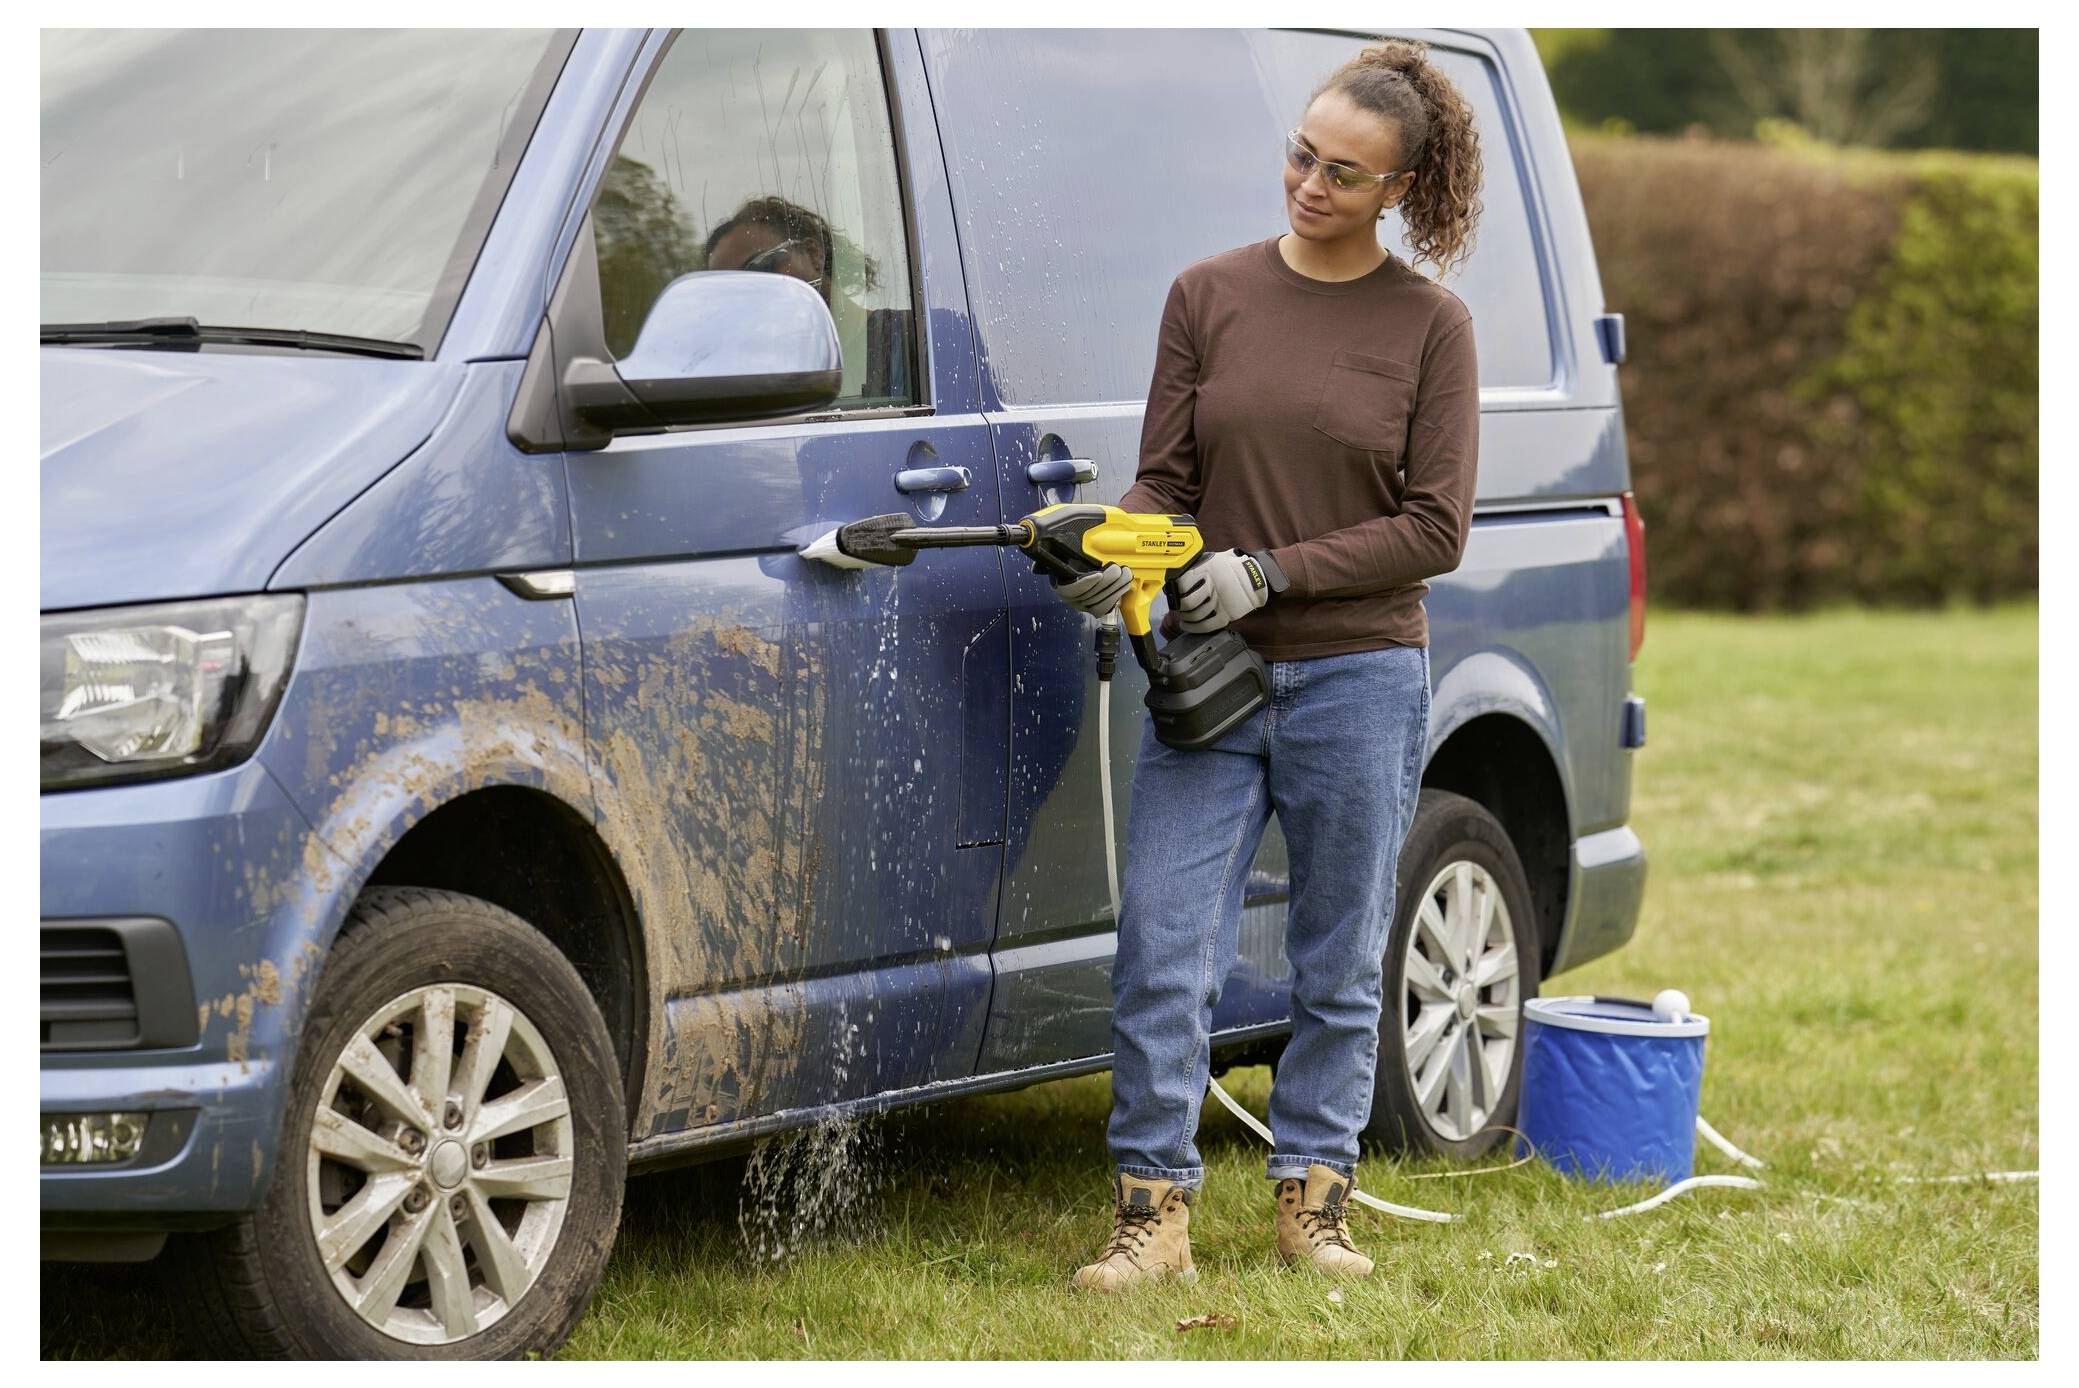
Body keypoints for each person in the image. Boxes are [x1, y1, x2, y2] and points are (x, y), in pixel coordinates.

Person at [1059, 37, 1485, 1289]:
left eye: (1345, 173)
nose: (1310, 184)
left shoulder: (1431, 327)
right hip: (1210, 680)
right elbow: (1171, 478)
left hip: (1359, 674)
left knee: (1341, 953)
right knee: (1162, 944)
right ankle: (1154, 1214)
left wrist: (1276, 569)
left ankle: (1316, 1202)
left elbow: (1435, 527)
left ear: (1398, 188)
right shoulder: (1208, 295)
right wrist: (1119, 543)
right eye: (1302, 154)